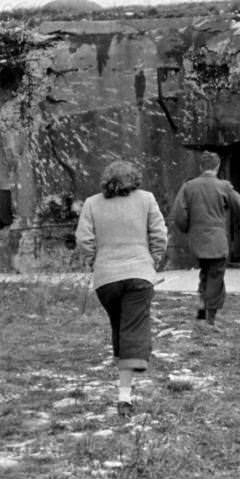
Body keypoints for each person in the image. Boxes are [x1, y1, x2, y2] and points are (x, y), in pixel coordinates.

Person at [75, 160, 168, 418]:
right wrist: (154, 259)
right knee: (133, 329)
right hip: (139, 274)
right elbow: (159, 234)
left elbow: (84, 239)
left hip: (106, 278)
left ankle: (124, 373)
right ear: (134, 179)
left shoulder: (92, 203)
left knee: (120, 326)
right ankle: (125, 396)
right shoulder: (146, 199)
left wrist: (96, 261)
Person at [169, 151, 240, 327]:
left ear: (201, 167)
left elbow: (178, 214)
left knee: (205, 272)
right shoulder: (223, 186)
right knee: (216, 276)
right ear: (218, 167)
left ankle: (202, 307)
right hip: (217, 241)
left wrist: (187, 229)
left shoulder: (188, 186)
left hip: (197, 240)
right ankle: (210, 319)